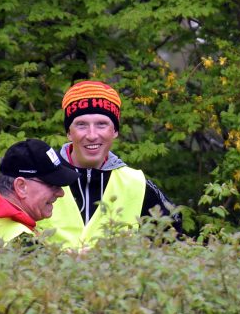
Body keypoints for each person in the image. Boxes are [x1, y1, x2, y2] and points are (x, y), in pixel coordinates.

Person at [37, 80, 182, 249]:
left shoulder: (136, 183)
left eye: (101, 124)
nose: (92, 135)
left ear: (115, 131)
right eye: (81, 124)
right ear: (69, 132)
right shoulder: (37, 177)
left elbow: (173, 241)